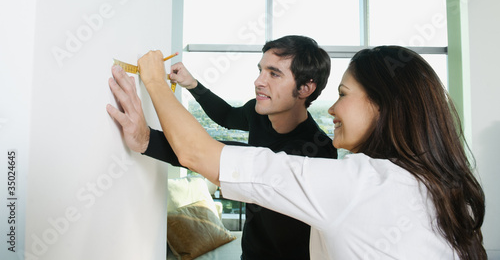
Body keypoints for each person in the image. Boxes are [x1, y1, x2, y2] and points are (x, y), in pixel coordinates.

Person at [107, 45, 486, 259]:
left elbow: (206, 154)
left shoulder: (352, 180)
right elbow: (226, 140)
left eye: (343, 94)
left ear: (382, 106)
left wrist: (154, 80)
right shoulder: (439, 188)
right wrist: (148, 137)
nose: (334, 109)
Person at [116, 35, 338, 260]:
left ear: (305, 88)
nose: (258, 81)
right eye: (260, 70)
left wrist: (148, 133)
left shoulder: (316, 152)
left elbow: (214, 156)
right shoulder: (259, 113)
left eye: (274, 73)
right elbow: (226, 116)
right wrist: (193, 84)